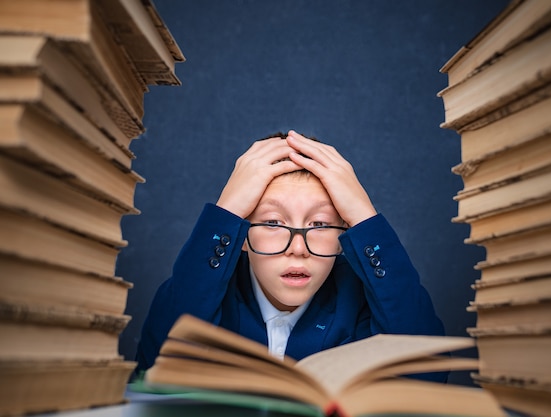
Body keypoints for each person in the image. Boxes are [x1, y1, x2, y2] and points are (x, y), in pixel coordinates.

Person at [135, 130, 446, 380]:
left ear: (345, 235)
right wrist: (225, 212)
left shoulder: (363, 302)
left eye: (321, 224)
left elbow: (425, 369)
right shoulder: (205, 295)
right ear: (240, 235)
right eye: (272, 223)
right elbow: (156, 365)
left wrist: (365, 217)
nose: (297, 248)